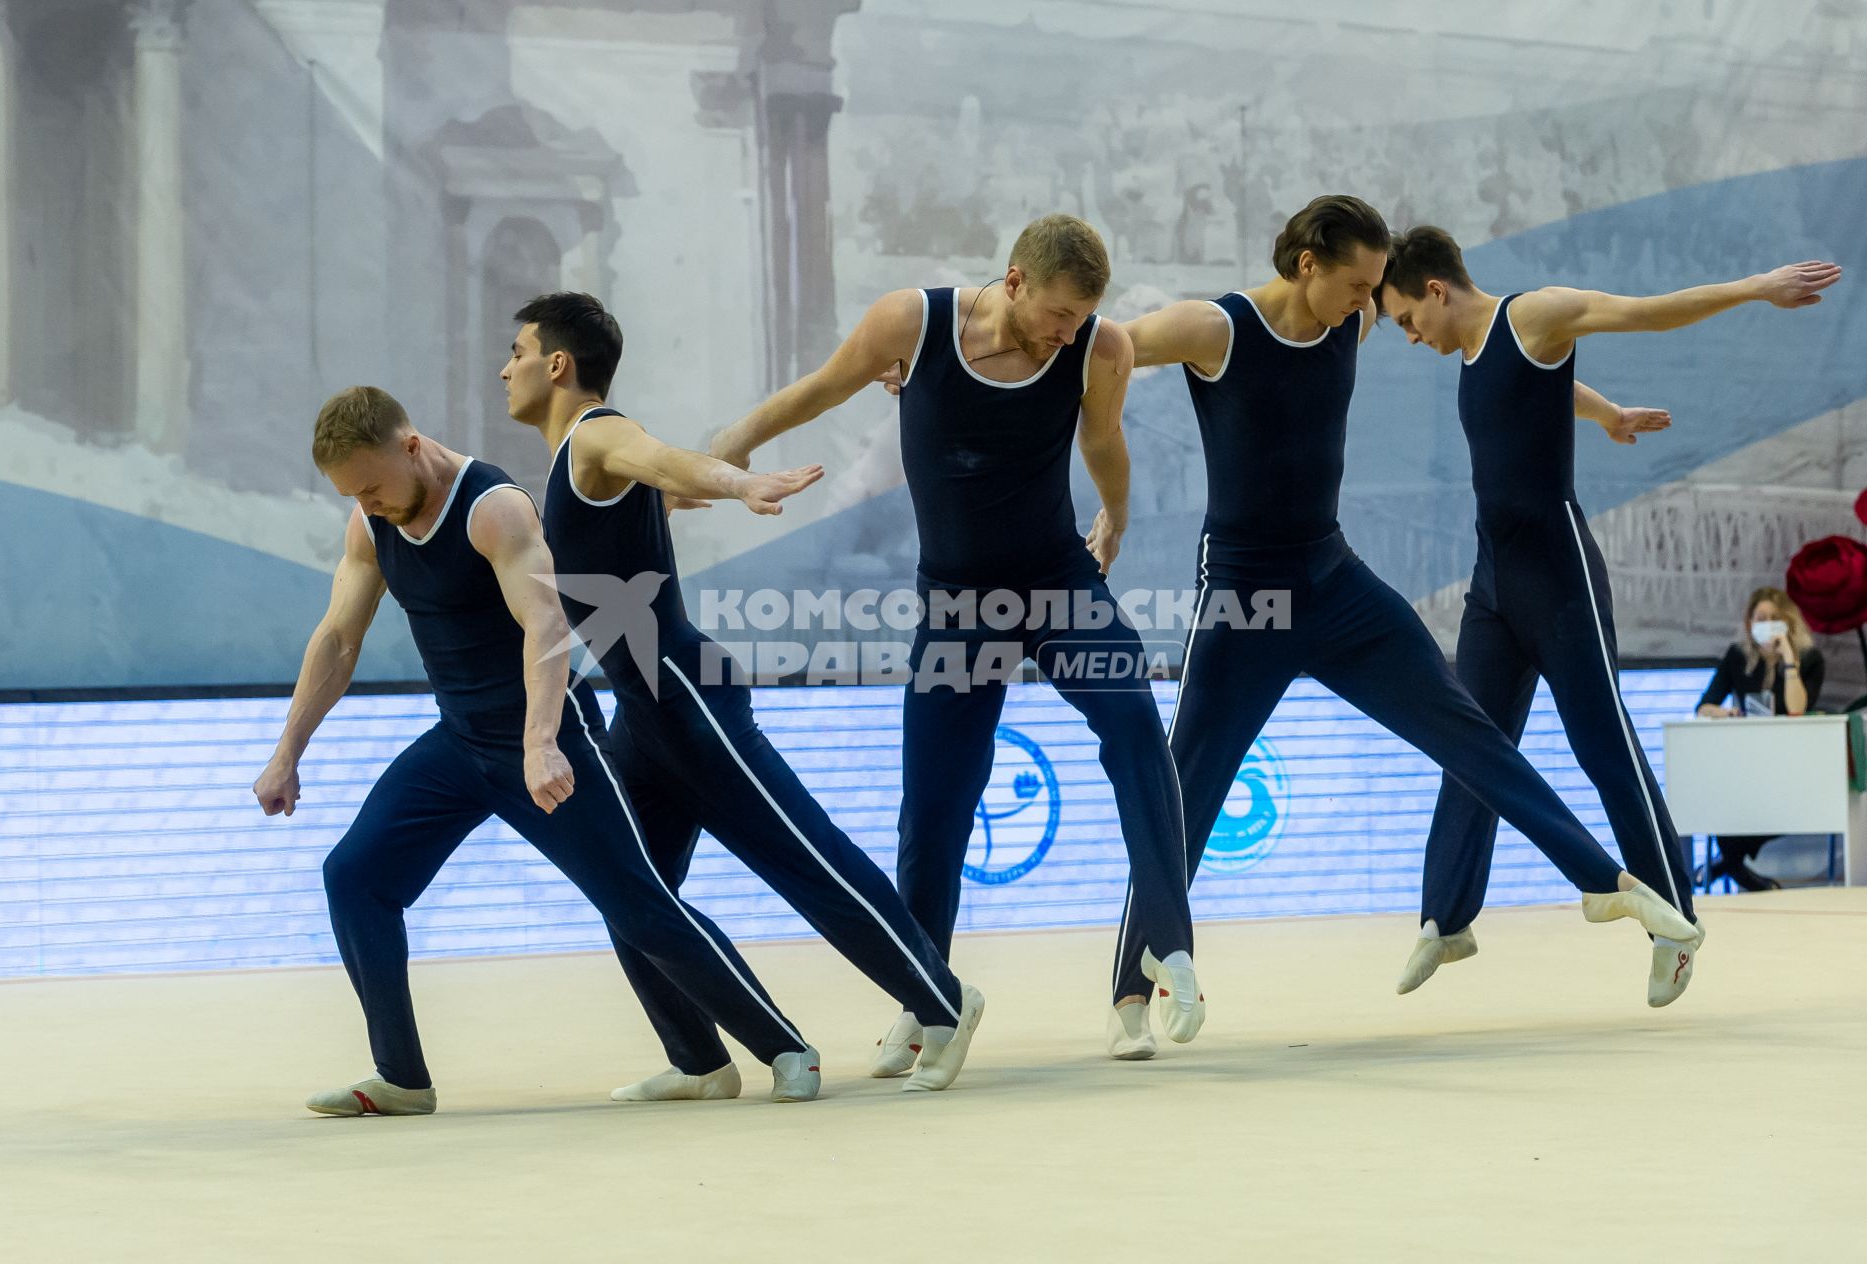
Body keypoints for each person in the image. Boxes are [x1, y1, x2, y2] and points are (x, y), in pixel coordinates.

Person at [1118, 196, 1698, 1053]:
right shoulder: (1218, 329)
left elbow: (1513, 371)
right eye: (1356, 287)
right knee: (1186, 785)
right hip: (1247, 597)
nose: (1368, 311)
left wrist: (1602, 411)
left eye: (1375, 292)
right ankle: (1134, 991)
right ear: (1307, 262)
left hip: (1335, 579)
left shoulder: (1350, 324)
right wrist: (975, 358)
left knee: (1467, 731)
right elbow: (1097, 349)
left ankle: (1602, 881)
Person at [710, 213, 1207, 1066]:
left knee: (1133, 720)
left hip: (1057, 583)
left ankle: (1168, 939)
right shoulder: (915, 323)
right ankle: (924, 993)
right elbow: (823, 389)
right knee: (935, 809)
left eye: (1081, 318)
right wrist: (727, 457)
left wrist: (1116, 516)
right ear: (1013, 282)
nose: (1066, 333)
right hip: (958, 604)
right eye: (1056, 314)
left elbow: (1104, 440)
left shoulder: (1098, 349)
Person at [254, 387, 821, 1115]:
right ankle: (401, 1078)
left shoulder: (494, 508)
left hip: (547, 736)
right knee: (355, 877)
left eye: (371, 486)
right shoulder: (370, 522)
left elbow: (545, 623)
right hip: (459, 742)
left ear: (412, 446)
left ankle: (782, 1046)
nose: (367, 504)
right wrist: (286, 752)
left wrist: (541, 742)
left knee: (639, 904)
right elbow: (337, 639)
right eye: (352, 495)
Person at [503, 293, 986, 1097]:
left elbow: (667, 459)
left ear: (557, 364)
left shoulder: (598, 434)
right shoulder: (572, 463)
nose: (505, 367)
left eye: (517, 350)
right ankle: (699, 1062)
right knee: (632, 892)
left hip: (689, 697)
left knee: (806, 861)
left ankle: (944, 999)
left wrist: (737, 483)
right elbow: (656, 489)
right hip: (642, 713)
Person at [1376, 225, 1839, 1003]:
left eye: (1404, 319)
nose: (1409, 337)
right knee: (1472, 746)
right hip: (1493, 583)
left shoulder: (1537, 314)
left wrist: (1755, 286)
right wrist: (1608, 413)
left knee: (1603, 746)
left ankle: (1676, 924)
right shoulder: (1470, 350)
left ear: (1434, 289)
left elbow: (1649, 312)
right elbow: (1540, 391)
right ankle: (1447, 921)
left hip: (1559, 579)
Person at [1695, 587, 1828, 890]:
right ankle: (1745, 876)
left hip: (1792, 763)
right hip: (1746, 761)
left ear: (1787, 621)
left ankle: (1721, 866)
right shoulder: (1737, 656)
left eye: (1773, 618)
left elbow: (1797, 709)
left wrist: (1789, 659)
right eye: (1760, 618)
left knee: (1785, 811)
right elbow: (1704, 706)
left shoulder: (1810, 659)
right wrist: (1726, 714)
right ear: (1749, 622)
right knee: (1723, 806)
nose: (1766, 623)